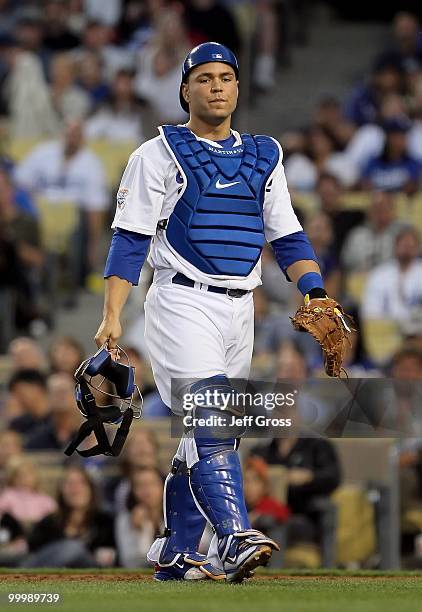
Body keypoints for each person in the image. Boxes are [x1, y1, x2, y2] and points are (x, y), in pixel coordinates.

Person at [94, 42, 348, 582]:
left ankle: (177, 551)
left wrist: (314, 292)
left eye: (226, 77)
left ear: (237, 87)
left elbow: (287, 233)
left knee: (212, 434)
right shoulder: (156, 154)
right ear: (185, 89)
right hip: (181, 299)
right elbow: (129, 240)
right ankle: (232, 536)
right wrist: (112, 314)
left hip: (242, 309)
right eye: (204, 78)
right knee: (211, 413)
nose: (216, 86)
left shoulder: (264, 155)